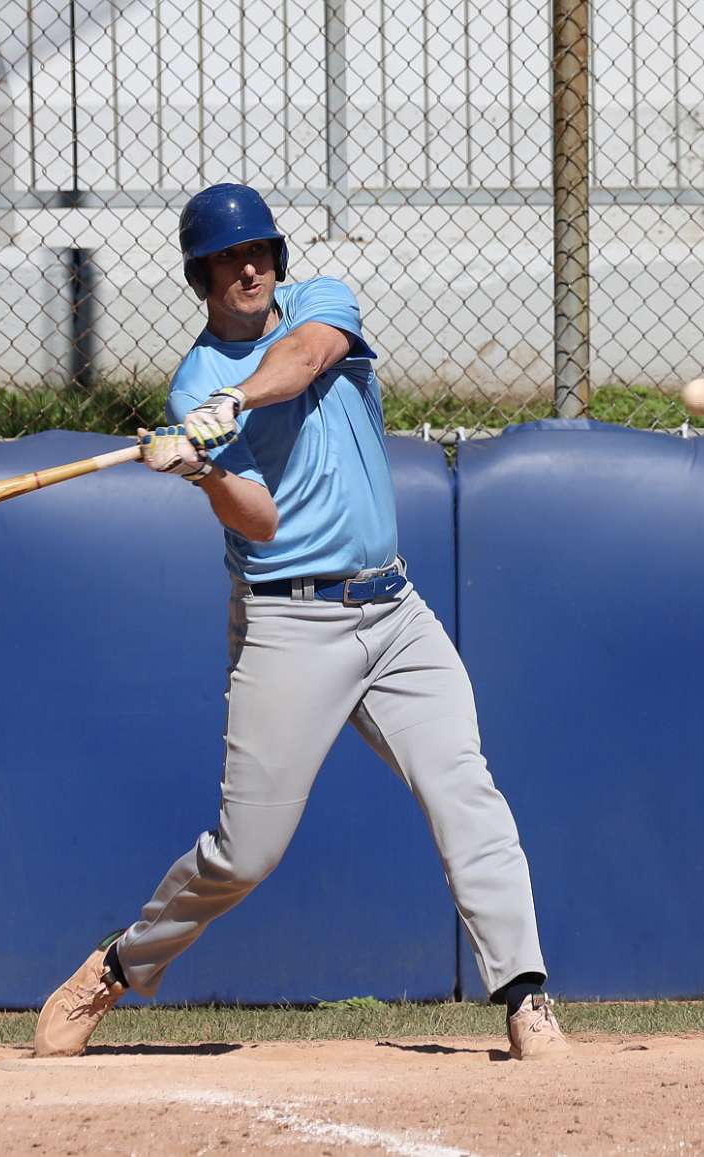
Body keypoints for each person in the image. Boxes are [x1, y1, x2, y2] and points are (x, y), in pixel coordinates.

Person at [32, 183, 567, 1061]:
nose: (248, 269)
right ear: (202, 276)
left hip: (394, 611)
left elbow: (311, 356)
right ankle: (119, 965)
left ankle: (525, 994)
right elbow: (261, 519)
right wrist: (202, 468)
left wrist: (236, 405)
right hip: (290, 624)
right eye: (227, 259)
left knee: (464, 790)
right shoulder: (194, 383)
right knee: (245, 853)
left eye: (258, 253)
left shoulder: (321, 302)